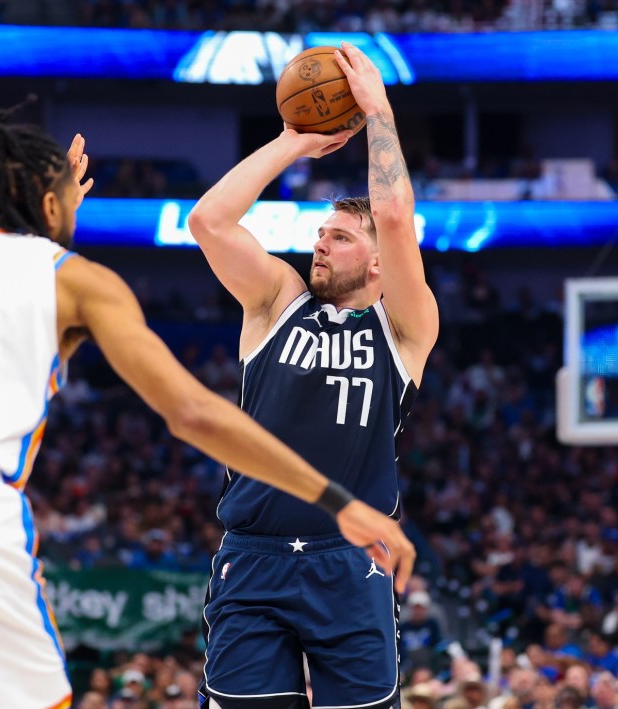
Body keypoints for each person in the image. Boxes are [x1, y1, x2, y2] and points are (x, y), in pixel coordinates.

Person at [0, 105, 416, 709]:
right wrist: (339, 501)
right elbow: (191, 411)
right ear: (49, 199)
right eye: (75, 193)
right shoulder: (71, 276)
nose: (81, 202)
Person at [186, 43, 439, 708]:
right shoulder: (277, 300)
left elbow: (391, 214)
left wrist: (378, 111)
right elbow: (209, 221)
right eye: (320, 232)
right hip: (254, 554)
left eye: (341, 237)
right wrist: (292, 142)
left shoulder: (405, 329)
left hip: (348, 558)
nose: (320, 242)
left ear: (380, 264)